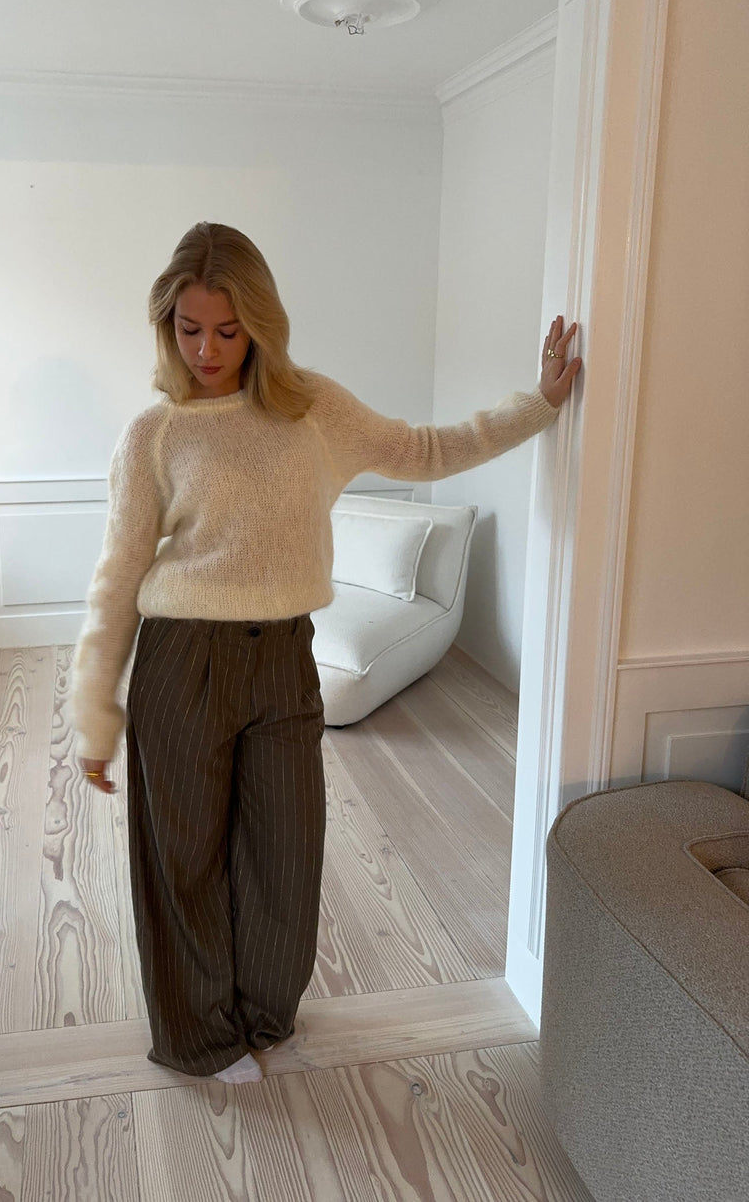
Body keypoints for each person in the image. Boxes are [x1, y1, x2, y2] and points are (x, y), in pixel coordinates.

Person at [70, 221, 581, 1084]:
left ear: (261, 324)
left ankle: (264, 1014)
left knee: (287, 850)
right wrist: (94, 709)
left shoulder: (312, 410)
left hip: (283, 657)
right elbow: (117, 575)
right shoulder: (154, 434)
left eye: (227, 330)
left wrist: (540, 403)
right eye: (189, 329)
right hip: (182, 662)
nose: (206, 350)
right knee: (182, 862)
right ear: (167, 325)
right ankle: (200, 1039)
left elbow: (427, 448)